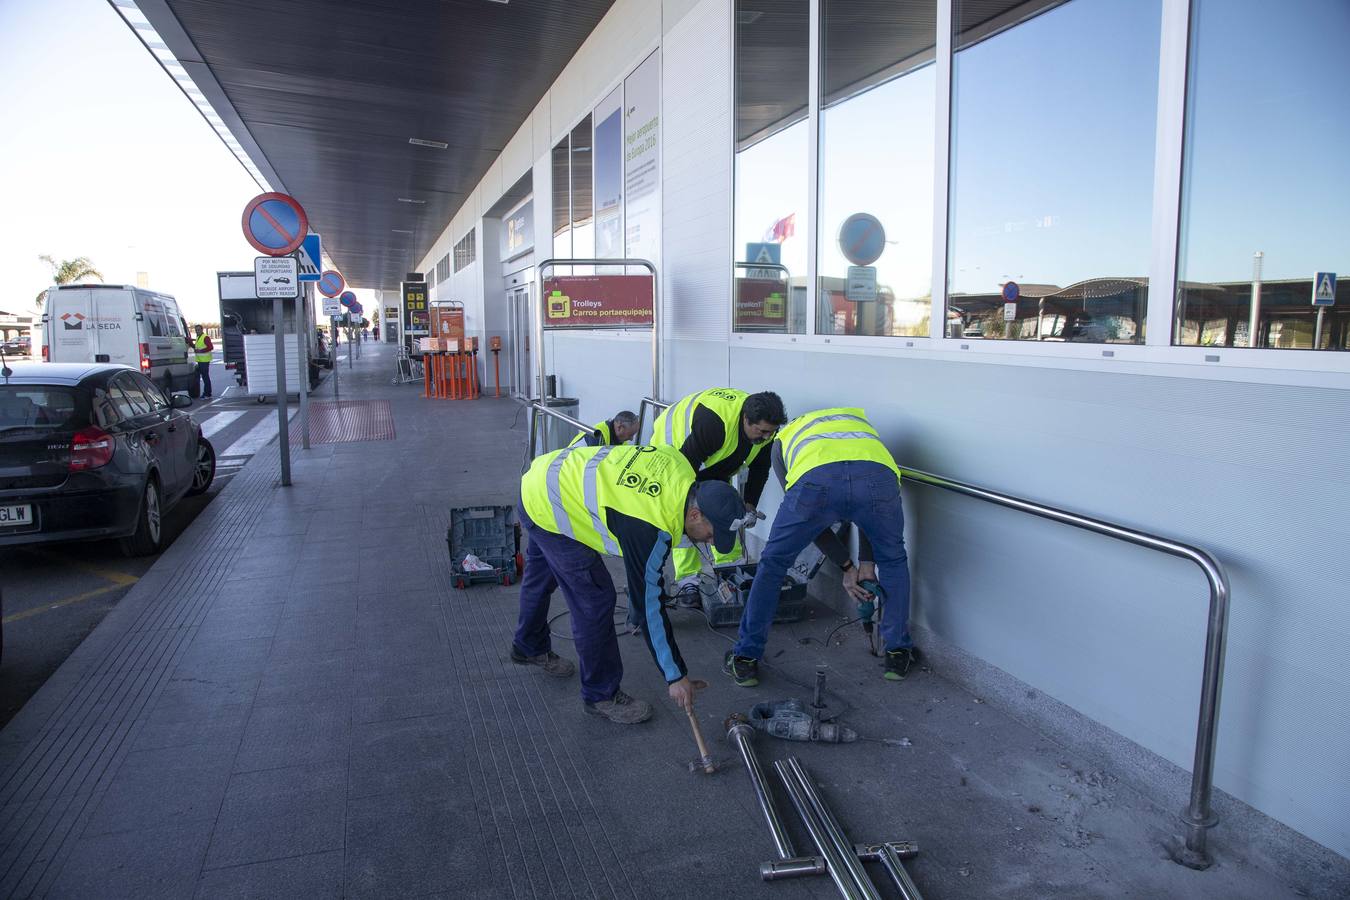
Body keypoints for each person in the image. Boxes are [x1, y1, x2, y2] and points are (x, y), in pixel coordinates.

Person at [511, 442, 745, 724]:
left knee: (540, 576)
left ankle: (528, 646)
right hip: (551, 501)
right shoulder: (650, 524)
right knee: (595, 599)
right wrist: (675, 675)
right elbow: (649, 605)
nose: (710, 541)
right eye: (710, 534)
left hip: (543, 479)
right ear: (694, 514)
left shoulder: (682, 470)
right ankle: (600, 695)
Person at [723, 407, 915, 687]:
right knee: (894, 560)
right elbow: (866, 506)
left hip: (817, 481)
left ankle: (746, 658)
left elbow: (811, 520)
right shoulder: (859, 424)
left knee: (774, 564)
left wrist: (848, 564)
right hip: (877, 477)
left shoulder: (784, 439)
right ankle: (898, 654)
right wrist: (862, 564)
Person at [650, 388, 787, 607]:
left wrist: (749, 504)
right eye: (762, 432)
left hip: (715, 462)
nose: (767, 437)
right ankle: (688, 581)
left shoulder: (765, 432)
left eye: (771, 432)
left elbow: (760, 469)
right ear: (746, 419)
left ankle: (729, 570)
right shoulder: (714, 424)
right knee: (687, 518)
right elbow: (686, 468)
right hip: (675, 456)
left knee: (725, 513)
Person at [568, 410, 639, 448]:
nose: (631, 439)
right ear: (619, 427)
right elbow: (596, 467)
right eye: (630, 435)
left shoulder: (621, 438)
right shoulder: (597, 435)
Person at [192, 324, 213, 399]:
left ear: (202, 330)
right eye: (196, 330)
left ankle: (207, 393)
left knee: (205, 377)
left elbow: (210, 347)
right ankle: (207, 393)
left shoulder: (205, 337)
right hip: (200, 360)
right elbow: (196, 347)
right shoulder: (198, 337)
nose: (197, 331)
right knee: (204, 377)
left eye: (198, 329)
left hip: (205, 360)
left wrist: (201, 351)